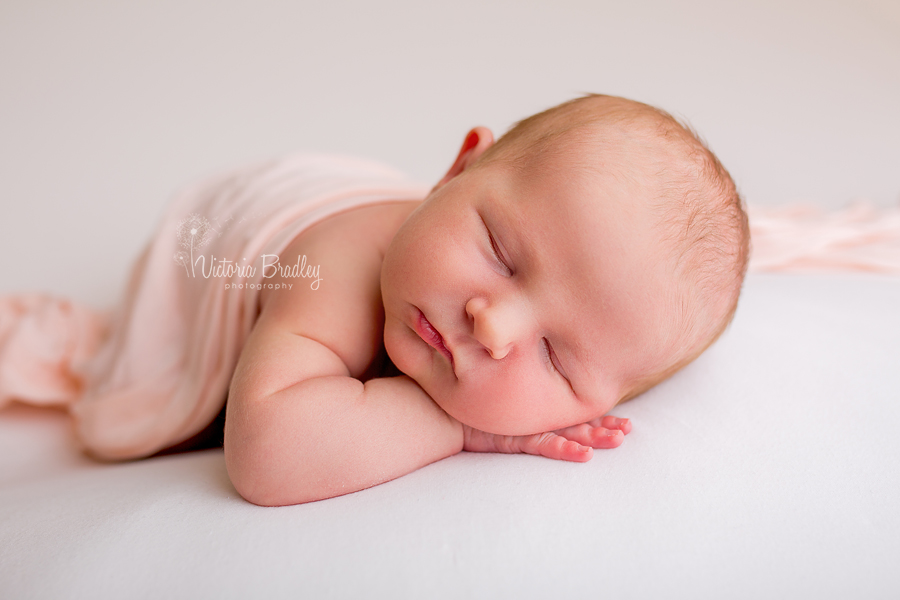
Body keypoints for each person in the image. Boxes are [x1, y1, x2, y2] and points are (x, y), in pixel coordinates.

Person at [223, 94, 750, 506]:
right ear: (456, 171)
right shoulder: (336, 266)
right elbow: (264, 453)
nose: (492, 328)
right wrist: (457, 424)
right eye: (500, 254)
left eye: (555, 357)